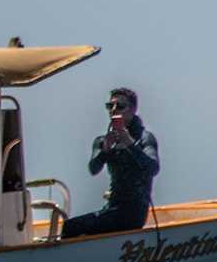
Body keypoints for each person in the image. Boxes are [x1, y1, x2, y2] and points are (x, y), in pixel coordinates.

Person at [62, 86, 160, 239]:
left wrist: (130, 144)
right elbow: (93, 169)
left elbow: (153, 168)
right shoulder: (102, 141)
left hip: (133, 212)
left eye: (120, 106)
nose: (114, 110)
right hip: (113, 208)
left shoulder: (145, 138)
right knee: (74, 226)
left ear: (133, 110)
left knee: (71, 227)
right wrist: (105, 150)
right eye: (110, 106)